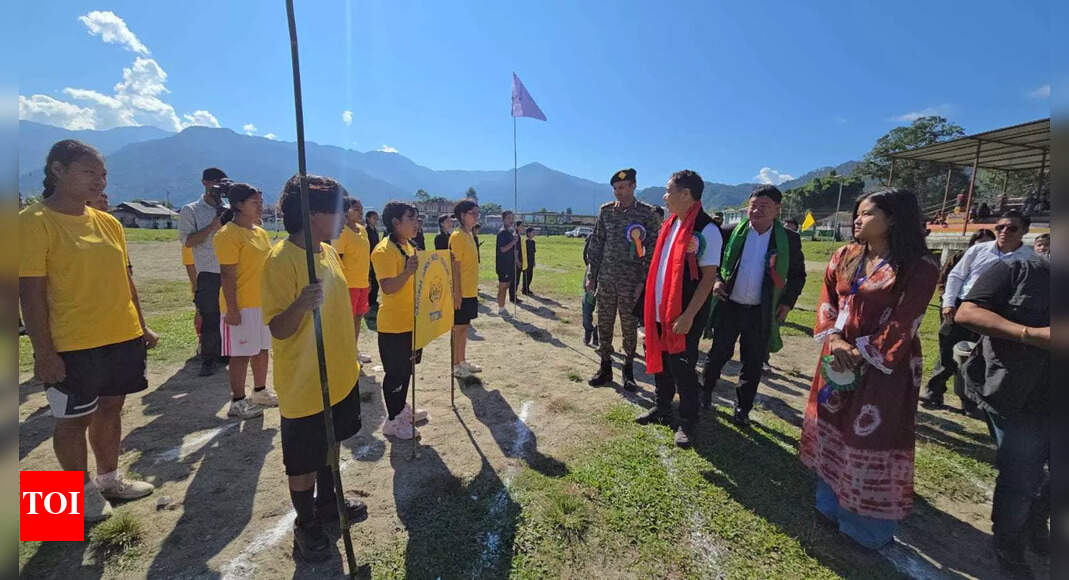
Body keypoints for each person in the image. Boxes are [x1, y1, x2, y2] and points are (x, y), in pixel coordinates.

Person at [20, 140, 158, 521]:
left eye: (103, 174)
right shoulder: (32, 222)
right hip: (72, 342)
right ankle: (69, 505)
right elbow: (29, 294)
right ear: (57, 171)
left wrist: (141, 326)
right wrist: (44, 352)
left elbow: (125, 280)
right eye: (88, 172)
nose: (99, 181)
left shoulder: (109, 221)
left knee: (111, 408)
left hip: (120, 335)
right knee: (70, 421)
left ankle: (109, 480)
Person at [800, 188, 939, 550]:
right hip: (837, 359)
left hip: (881, 370)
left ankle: (865, 528)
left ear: (892, 218)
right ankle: (827, 506)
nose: (857, 219)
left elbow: (907, 320)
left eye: (866, 213)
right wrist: (834, 339)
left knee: (869, 437)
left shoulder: (919, 267)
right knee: (832, 426)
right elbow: (828, 296)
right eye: (857, 213)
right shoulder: (845, 255)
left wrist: (861, 351)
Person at [261, 174, 366, 562]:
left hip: (339, 375)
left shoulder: (327, 252)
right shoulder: (281, 259)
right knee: (303, 459)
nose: (345, 217)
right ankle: (305, 523)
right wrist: (301, 304)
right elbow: (278, 327)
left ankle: (327, 504)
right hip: (305, 383)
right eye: (337, 210)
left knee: (331, 443)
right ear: (313, 213)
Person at [956, 254, 1050, 577]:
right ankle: (1008, 541)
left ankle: (1037, 524)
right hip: (1019, 399)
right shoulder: (1018, 270)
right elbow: (966, 312)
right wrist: (1028, 333)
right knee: (1021, 478)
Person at [701, 185, 806, 426]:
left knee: (753, 362)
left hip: (761, 310)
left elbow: (798, 275)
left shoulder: (788, 239)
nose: (757, 211)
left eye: (764, 206)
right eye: (753, 206)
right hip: (731, 305)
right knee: (718, 354)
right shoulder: (729, 232)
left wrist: (788, 303)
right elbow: (713, 263)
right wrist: (717, 281)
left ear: (777, 210)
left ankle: (742, 408)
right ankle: (705, 393)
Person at [634, 171, 722, 448]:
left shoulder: (706, 229)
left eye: (668, 190)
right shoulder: (671, 224)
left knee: (682, 369)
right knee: (661, 363)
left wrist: (688, 316)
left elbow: (708, 279)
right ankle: (662, 408)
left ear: (685, 194)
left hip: (683, 315)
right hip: (660, 310)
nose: (664, 196)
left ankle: (688, 421)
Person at [920, 210, 1034, 408]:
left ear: (1024, 230)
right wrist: (948, 302)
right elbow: (956, 276)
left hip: (996, 314)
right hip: (963, 307)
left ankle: (971, 400)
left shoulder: (1029, 259)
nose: (1004, 231)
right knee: (947, 350)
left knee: (983, 356)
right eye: (1000, 227)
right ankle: (934, 390)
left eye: (1012, 228)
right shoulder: (978, 250)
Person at [586, 168, 660, 391]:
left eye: (623, 187)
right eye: (616, 189)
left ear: (633, 186)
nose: (618, 192)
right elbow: (596, 244)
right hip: (607, 279)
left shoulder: (647, 214)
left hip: (631, 281)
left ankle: (628, 369)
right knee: (605, 322)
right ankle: (605, 366)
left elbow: (652, 249)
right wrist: (592, 275)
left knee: (629, 326)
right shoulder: (606, 212)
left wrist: (643, 282)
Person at [215, 183, 277, 419]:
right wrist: (232, 309)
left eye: (260, 201)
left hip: (262, 303)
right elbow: (227, 274)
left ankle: (259, 391)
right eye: (255, 202)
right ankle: (238, 401)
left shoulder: (259, 232)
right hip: (241, 306)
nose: (260, 206)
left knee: (261, 349)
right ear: (238, 205)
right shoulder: (227, 235)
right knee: (240, 354)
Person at [371, 201, 429, 440]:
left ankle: (401, 407)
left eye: (417, 218)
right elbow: (387, 286)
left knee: (407, 369)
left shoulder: (408, 246)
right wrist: (407, 272)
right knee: (396, 372)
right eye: (411, 218)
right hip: (394, 325)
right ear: (395, 222)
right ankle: (392, 420)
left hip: (411, 321)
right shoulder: (384, 250)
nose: (417, 223)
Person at [179, 167, 229, 376]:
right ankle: (208, 359)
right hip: (208, 270)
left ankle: (227, 353)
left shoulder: (229, 209)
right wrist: (212, 226)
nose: (218, 188)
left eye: (222, 183)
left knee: (230, 314)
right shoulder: (190, 210)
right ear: (205, 183)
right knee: (210, 316)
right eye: (215, 183)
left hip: (230, 269)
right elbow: (188, 241)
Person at [335, 197, 374, 364]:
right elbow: (337, 260)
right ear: (346, 211)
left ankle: (353, 349)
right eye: (356, 209)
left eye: (361, 209)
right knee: (346, 320)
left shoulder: (362, 230)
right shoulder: (342, 232)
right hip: (348, 284)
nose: (360, 212)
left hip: (362, 282)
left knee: (358, 317)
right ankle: (342, 352)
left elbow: (365, 257)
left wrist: (368, 278)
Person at [450, 199, 483, 379]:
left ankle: (462, 361)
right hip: (460, 292)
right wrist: (456, 293)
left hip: (470, 291)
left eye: (477, 214)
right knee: (458, 328)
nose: (476, 217)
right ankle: (456, 365)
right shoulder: (457, 236)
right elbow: (455, 266)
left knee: (465, 328)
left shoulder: (469, 234)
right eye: (473, 214)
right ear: (463, 215)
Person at [937, 229, 995, 301]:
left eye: (988, 243)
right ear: (973, 243)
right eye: (981, 243)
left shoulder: (997, 260)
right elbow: (943, 277)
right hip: (956, 298)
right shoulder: (958, 257)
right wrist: (943, 295)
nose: (984, 246)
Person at [495, 211, 520, 315]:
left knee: (506, 286)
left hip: (509, 264)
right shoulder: (502, 233)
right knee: (503, 287)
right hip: (503, 265)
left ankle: (501, 305)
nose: (511, 220)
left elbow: (512, 249)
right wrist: (514, 241)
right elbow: (503, 249)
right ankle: (501, 308)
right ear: (504, 219)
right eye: (509, 218)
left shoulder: (510, 232)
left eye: (512, 218)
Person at [182, 244, 203, 356]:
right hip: (202, 283)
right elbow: (189, 264)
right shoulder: (193, 237)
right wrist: (196, 287)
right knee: (201, 312)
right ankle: (202, 341)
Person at [581, 233, 599, 347]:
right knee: (587, 310)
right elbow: (585, 256)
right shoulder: (593, 236)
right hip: (591, 281)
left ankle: (597, 335)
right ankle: (588, 331)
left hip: (606, 283)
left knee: (602, 313)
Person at [365, 210, 381, 312]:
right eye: (374, 218)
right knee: (369, 281)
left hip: (375, 259)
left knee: (376, 281)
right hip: (368, 260)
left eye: (377, 218)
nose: (376, 220)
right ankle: (368, 303)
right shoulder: (365, 231)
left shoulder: (375, 230)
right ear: (368, 219)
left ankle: (374, 301)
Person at [514, 220, 527, 303]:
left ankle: (514, 295)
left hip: (518, 260)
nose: (523, 228)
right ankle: (513, 296)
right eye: (522, 226)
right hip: (516, 262)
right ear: (517, 227)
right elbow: (515, 250)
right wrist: (517, 261)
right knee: (516, 279)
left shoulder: (518, 236)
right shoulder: (516, 236)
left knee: (516, 279)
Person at [521, 227, 537, 295]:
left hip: (531, 261)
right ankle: (524, 289)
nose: (534, 234)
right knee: (526, 276)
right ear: (528, 233)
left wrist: (534, 261)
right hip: (525, 261)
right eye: (532, 232)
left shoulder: (533, 242)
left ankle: (527, 288)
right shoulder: (525, 241)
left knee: (530, 275)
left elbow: (533, 252)